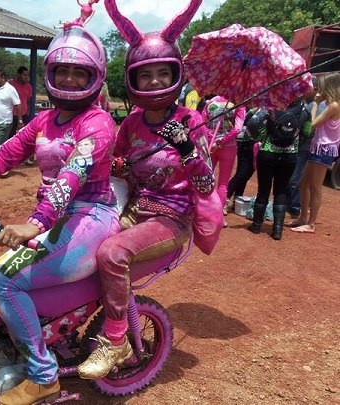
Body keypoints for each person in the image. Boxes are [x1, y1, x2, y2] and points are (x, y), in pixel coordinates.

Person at [0, 15, 117, 405]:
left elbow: (72, 175)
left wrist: (35, 223)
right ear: (51, 74)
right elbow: (1, 156)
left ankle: (43, 376)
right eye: (62, 71)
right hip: (55, 216)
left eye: (79, 73)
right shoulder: (45, 121)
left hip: (89, 215)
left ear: (94, 77)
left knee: (2, 282)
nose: (69, 80)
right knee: (4, 274)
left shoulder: (98, 123)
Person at [78, 0, 215, 380]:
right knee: (79, 241)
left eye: (162, 73)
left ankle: (116, 340)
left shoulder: (191, 120)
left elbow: (206, 185)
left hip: (172, 219)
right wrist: (118, 165)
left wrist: (187, 149)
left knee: (112, 252)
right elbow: (118, 167)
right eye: (146, 75)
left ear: (175, 73)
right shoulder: (132, 123)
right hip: (134, 209)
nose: (154, 81)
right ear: (134, 80)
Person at [247, 99, 309, 240]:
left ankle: (256, 225)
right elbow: (308, 131)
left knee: (263, 190)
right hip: (290, 155)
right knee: (281, 191)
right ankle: (277, 230)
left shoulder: (272, 105)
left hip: (267, 152)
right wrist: (295, 144)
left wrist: (259, 137)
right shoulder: (304, 110)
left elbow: (252, 123)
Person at [290, 72, 340, 234]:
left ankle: (311, 223)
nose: (320, 90)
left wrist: (316, 104)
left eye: (323, 86)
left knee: (315, 187)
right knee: (303, 184)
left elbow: (312, 125)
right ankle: (303, 217)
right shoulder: (332, 103)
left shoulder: (334, 106)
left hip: (324, 149)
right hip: (319, 147)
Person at [202, 95, 246, 225]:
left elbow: (202, 123)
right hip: (228, 146)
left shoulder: (210, 102)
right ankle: (219, 216)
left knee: (206, 179)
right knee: (223, 183)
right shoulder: (239, 103)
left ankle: (203, 212)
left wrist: (213, 138)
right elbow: (237, 128)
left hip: (210, 145)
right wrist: (222, 141)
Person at [286, 77, 323, 217]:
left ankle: (294, 207)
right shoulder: (314, 105)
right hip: (309, 146)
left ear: (315, 89)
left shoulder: (311, 107)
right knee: (302, 179)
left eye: (307, 88)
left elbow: (306, 129)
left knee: (296, 178)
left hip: (305, 146)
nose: (304, 91)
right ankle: (295, 206)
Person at [225, 108, 260, 212]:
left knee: (246, 175)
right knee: (241, 174)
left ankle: (237, 200)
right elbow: (248, 121)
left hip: (256, 147)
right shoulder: (258, 111)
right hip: (247, 145)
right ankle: (225, 199)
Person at [0, 69, 21, 149]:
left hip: (4, 123)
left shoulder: (10, 89)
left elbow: (18, 104)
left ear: (3, 77)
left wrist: (20, 120)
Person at [8, 66, 33, 137]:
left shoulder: (29, 86)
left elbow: (28, 101)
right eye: (24, 75)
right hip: (12, 115)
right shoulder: (11, 84)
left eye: (27, 75)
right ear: (19, 75)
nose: (26, 77)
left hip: (24, 115)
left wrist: (28, 112)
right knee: (10, 135)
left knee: (23, 135)